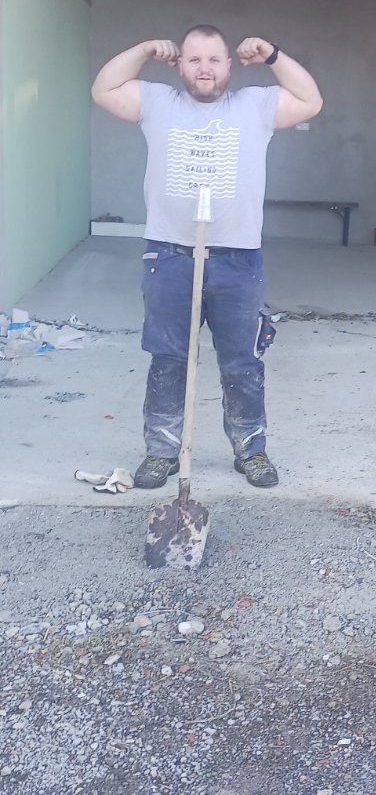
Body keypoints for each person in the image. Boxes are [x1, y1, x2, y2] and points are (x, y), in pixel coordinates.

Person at [92, 28, 323, 488]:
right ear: (180, 64)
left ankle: (250, 450)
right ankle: (162, 452)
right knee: (168, 358)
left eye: (214, 59)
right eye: (194, 59)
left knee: (242, 362)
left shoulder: (254, 106)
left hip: (238, 259)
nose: (204, 68)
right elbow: (104, 89)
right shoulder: (158, 103)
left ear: (228, 66)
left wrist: (273, 54)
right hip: (169, 255)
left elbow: (310, 100)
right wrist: (143, 50)